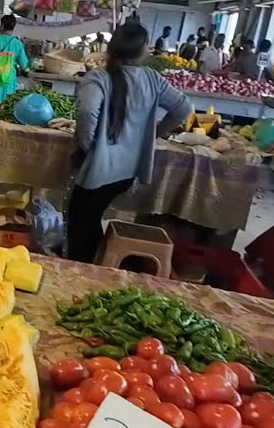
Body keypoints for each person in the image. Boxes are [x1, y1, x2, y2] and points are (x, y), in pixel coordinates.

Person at [69, 23, 192, 262]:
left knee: (81, 222)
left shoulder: (99, 78)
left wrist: (88, 146)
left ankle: (84, 268)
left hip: (101, 169)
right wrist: (153, 133)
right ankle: (99, 261)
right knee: (91, 217)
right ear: (143, 50)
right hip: (128, 171)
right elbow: (183, 108)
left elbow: (86, 113)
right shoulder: (152, 79)